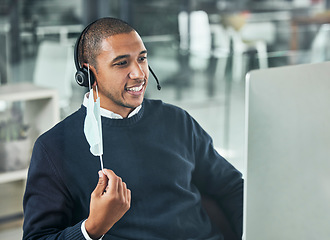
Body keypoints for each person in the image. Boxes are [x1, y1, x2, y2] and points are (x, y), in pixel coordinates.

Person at [23, 17, 243, 240]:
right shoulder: (53, 148)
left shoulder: (177, 120)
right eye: (121, 63)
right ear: (89, 74)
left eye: (142, 58)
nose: (139, 73)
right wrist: (92, 228)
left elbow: (233, 188)